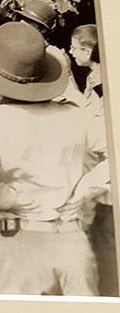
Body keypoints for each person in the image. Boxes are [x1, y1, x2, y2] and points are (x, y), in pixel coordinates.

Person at [0, 22, 105, 295]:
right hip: (73, 241)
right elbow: (110, 158)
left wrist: (12, 200)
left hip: (22, 241)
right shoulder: (76, 115)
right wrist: (84, 191)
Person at [69, 24, 116, 296]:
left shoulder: (101, 82)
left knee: (84, 201)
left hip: (108, 159)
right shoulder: (93, 77)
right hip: (99, 156)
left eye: (75, 48)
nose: (71, 52)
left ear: (88, 50)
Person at [12, 0, 86, 107]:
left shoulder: (53, 54)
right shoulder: (17, 50)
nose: (21, 23)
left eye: (28, 21)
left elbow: (71, 92)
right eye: (21, 18)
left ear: (42, 29)